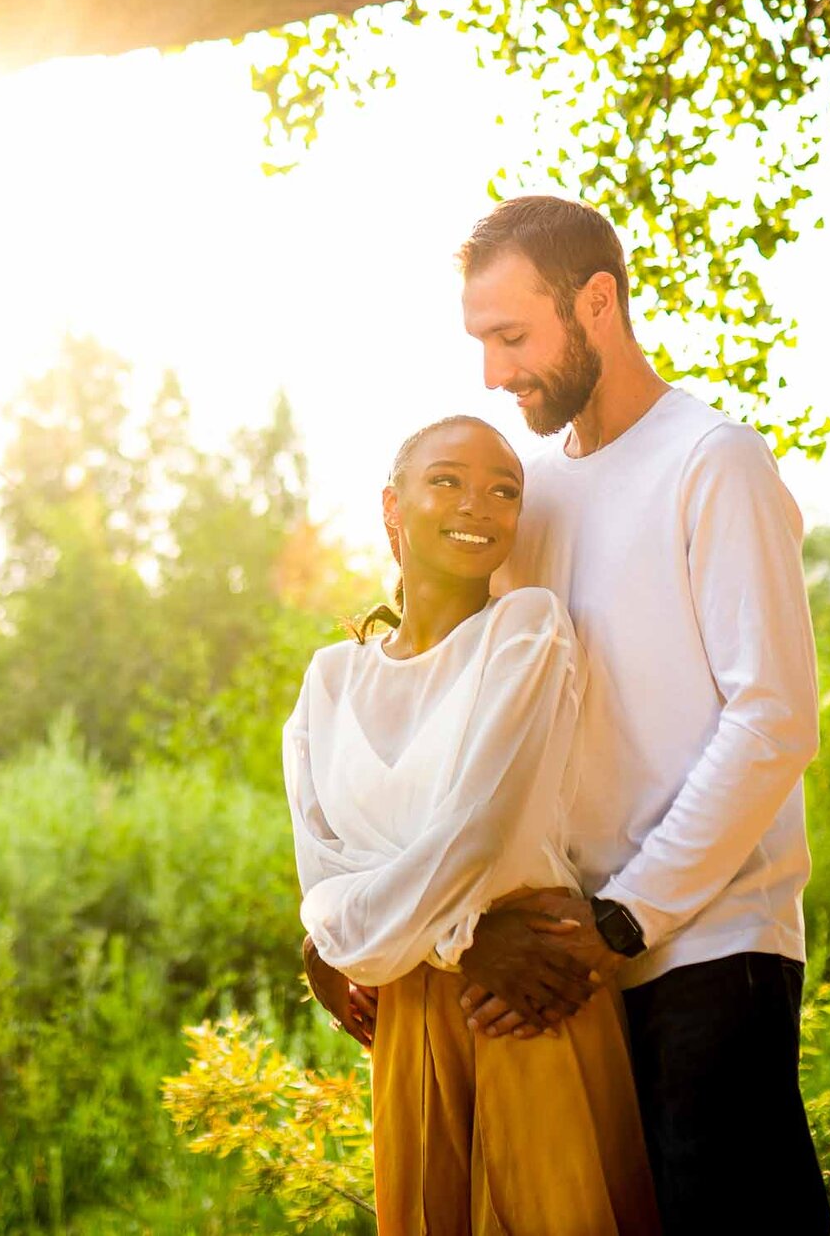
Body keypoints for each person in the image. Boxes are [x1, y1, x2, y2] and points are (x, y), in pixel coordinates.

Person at [452, 193, 830, 1233]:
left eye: (512, 335)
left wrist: (624, 917)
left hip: (712, 952)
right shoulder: (526, 500)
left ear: (598, 303)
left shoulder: (714, 460)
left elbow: (774, 720)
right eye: (480, 341)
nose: (493, 372)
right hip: (577, 973)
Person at [283, 415, 661, 1236]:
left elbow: (478, 832)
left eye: (504, 490)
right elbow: (322, 874)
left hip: (527, 990)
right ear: (393, 505)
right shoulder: (330, 680)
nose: (479, 505)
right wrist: (354, 939)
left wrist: (368, 940)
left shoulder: (527, 628)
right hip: (408, 1026)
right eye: (448, 480)